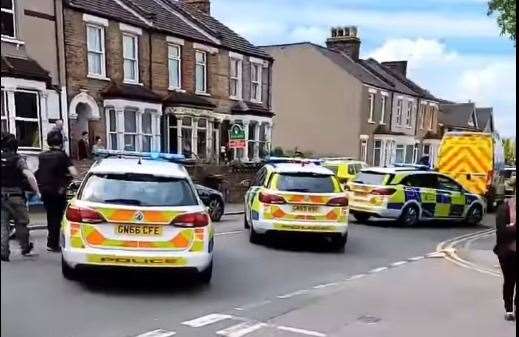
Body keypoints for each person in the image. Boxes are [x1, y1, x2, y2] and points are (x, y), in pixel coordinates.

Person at [1, 132, 41, 261]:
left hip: (1, 197)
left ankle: (4, 252)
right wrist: (37, 191)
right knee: (21, 223)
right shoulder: (18, 160)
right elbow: (29, 175)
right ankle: (25, 248)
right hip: (16, 197)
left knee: (3, 225)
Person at [36, 131, 78, 252]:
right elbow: (74, 172)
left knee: (50, 215)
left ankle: (51, 241)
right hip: (58, 190)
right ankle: (53, 243)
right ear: (61, 143)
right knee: (57, 216)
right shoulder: (62, 155)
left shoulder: (42, 156)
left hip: (44, 189)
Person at [494, 177, 517, 321]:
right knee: (509, 281)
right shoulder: (505, 208)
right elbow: (502, 232)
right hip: (507, 253)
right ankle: (509, 308)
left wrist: (512, 227)